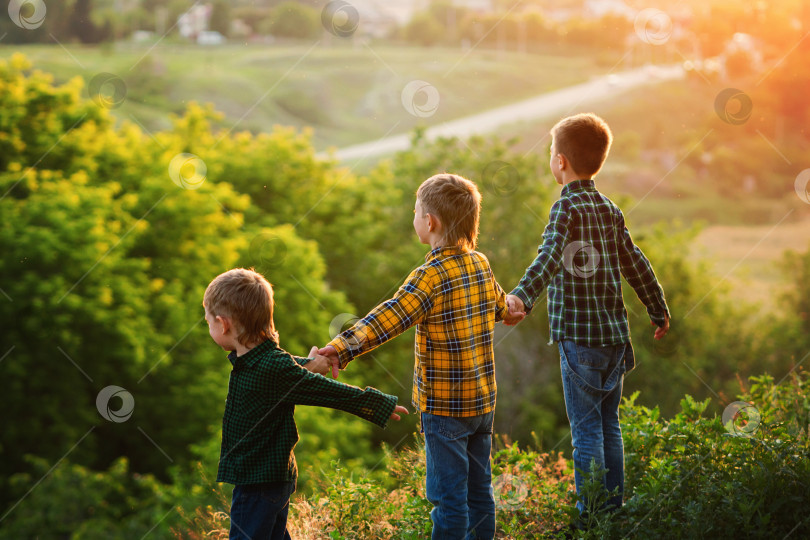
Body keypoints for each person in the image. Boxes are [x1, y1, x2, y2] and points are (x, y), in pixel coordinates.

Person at [319, 173, 524, 540]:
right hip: (483, 403)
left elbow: (389, 317)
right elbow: (498, 305)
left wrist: (341, 346)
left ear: (429, 221)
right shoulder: (480, 263)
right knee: (480, 494)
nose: (414, 218)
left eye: (415, 211)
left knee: (449, 502)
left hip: (445, 410)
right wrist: (511, 307)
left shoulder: (429, 276)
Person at [505, 113, 670, 522]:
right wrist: (657, 307)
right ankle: (614, 510)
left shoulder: (565, 208)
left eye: (549, 151)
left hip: (579, 341)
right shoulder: (609, 209)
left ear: (560, 162)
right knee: (608, 425)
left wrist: (521, 298)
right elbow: (636, 262)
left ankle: (592, 515)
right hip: (615, 338)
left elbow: (547, 257)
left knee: (586, 432)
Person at [203, 267, 407, 540]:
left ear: (223, 323)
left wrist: (375, 403)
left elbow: (327, 392)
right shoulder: (263, 361)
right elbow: (287, 372)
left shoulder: (269, 366)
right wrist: (310, 365)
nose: (209, 327)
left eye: (208, 322)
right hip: (270, 479)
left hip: (259, 482)